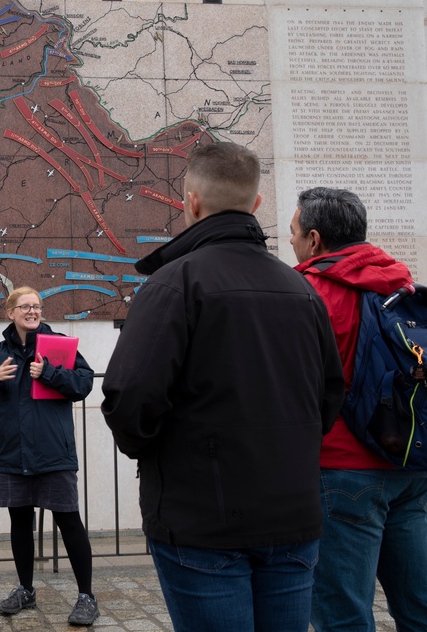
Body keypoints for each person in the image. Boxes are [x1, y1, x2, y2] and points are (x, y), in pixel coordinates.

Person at [100, 142, 345, 632]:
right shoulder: (302, 291)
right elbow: (329, 397)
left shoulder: (173, 285)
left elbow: (129, 398)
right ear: (255, 205)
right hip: (292, 517)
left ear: (190, 201)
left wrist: (158, 453)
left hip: (201, 522)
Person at [290, 186, 427, 632]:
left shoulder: (308, 294)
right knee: (419, 607)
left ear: (314, 239)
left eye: (292, 233)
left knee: (343, 615)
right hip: (411, 464)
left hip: (343, 473)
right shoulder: (402, 284)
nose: (290, 242)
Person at [0, 286, 99, 626]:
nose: (32, 311)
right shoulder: (1, 353)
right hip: (13, 455)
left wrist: (51, 374)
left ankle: (86, 596)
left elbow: (84, 385)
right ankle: (25, 590)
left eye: (37, 306)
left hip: (53, 453)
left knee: (69, 521)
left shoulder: (58, 346)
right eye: (25, 306)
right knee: (20, 523)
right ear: (10, 313)